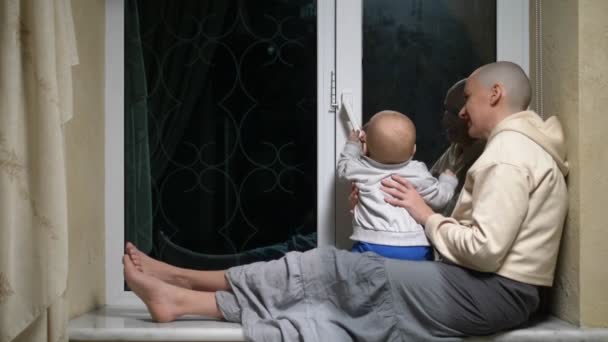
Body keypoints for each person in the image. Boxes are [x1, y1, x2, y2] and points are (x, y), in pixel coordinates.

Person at [123, 61, 569, 341]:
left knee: (328, 271)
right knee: (331, 297)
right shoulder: (506, 150)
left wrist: (424, 215)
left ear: (495, 94)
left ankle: (182, 281)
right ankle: (181, 296)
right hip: (487, 289)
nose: (463, 110)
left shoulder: (510, 155)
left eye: (468, 98)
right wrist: (391, 205)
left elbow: (486, 249)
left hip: (491, 294)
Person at [338, 110, 457, 260]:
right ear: (413, 150)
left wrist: (353, 144)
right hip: (415, 248)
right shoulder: (417, 171)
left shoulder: (360, 168)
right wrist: (447, 182)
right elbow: (439, 198)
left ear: (366, 148)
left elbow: (343, 168)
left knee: (355, 273)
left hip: (371, 244)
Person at [429, 79, 485, 216]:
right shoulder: (455, 149)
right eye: (446, 111)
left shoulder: (487, 156)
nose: (445, 121)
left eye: (454, 113)